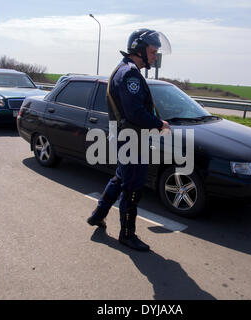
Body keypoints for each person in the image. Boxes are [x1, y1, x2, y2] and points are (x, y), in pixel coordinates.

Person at [87, 28, 171, 251]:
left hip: (126, 136)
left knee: (120, 178)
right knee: (133, 187)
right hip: (131, 138)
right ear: (139, 49)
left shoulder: (125, 69)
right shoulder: (130, 74)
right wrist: (158, 123)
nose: (155, 56)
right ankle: (127, 234)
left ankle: (98, 215)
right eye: (153, 51)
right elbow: (135, 113)